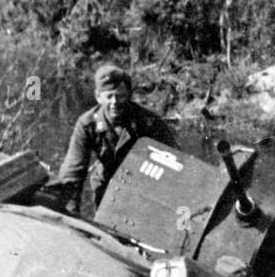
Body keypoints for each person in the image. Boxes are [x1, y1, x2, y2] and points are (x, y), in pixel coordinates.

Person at [49, 64, 179, 215]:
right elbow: (73, 173)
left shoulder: (148, 121)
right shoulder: (87, 124)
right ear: (98, 96)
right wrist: (69, 214)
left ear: (129, 94)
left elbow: (176, 162)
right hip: (107, 185)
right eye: (109, 96)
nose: (114, 102)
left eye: (120, 95)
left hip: (143, 186)